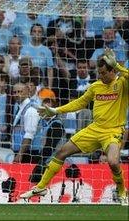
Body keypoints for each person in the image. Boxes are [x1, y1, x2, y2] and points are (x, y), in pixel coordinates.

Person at [20, 50, 128, 205]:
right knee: (62, 151)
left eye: (104, 73)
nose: (101, 76)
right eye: (99, 73)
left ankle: (122, 191)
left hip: (113, 131)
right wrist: (56, 110)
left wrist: (117, 65)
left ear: (112, 71)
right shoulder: (96, 86)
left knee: (112, 161)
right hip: (94, 129)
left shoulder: (122, 84)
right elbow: (79, 103)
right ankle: (41, 187)